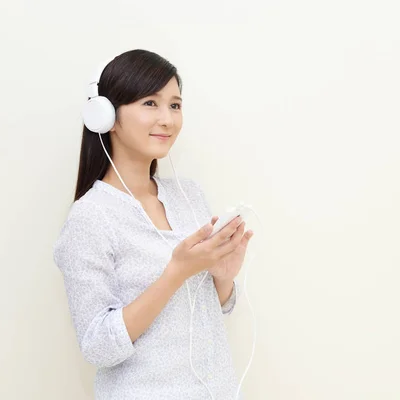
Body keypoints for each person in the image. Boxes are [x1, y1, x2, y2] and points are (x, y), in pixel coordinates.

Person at [53, 49, 253, 399]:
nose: (168, 119)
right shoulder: (91, 218)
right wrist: (176, 272)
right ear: (107, 117)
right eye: (150, 103)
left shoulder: (188, 195)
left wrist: (222, 276)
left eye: (175, 105)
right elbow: (98, 346)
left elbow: (209, 310)